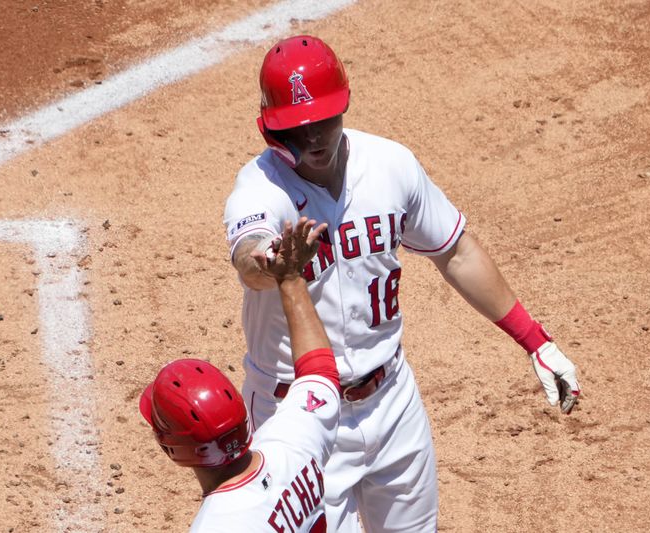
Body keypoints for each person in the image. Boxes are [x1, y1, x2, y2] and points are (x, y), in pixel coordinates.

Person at [223, 35, 581, 533]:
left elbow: (455, 252)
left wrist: (534, 340)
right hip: (298, 418)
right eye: (299, 129)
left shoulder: (391, 165)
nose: (315, 139)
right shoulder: (261, 189)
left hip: (392, 398)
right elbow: (248, 256)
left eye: (324, 120)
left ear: (344, 106)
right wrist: (274, 263)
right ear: (271, 129)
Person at [140, 217, 343, 532]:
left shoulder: (217, 524)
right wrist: (290, 279)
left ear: (172, 450)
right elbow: (320, 370)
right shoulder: (291, 441)